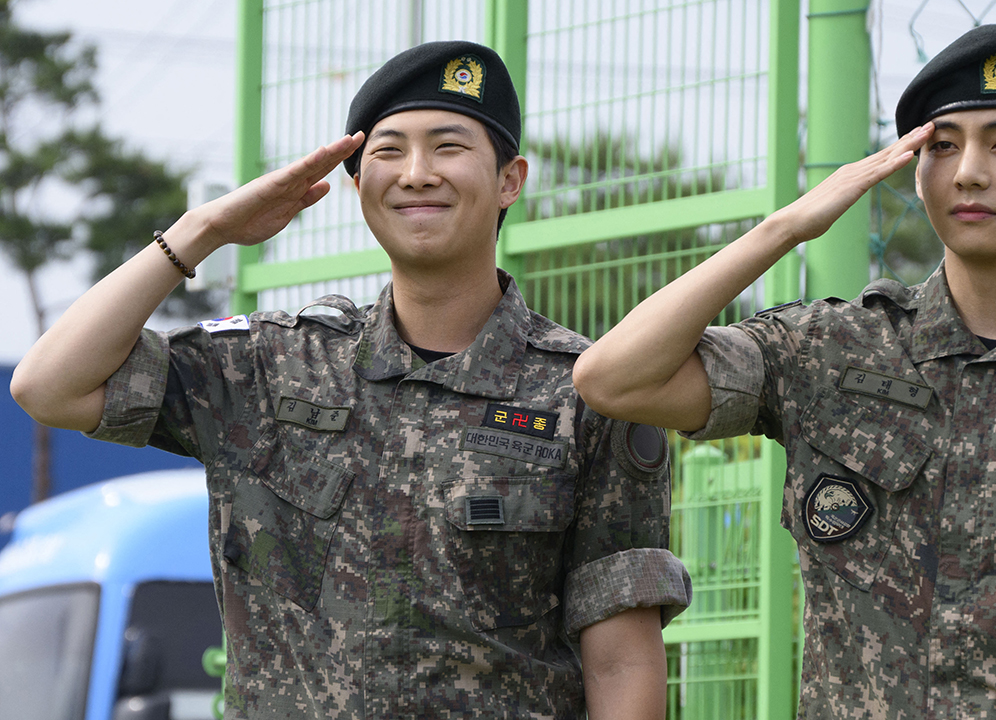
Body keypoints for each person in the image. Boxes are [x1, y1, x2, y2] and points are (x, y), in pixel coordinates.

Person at [572, 23, 996, 719]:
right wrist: (788, 227)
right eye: (943, 147)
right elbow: (613, 379)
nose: (968, 172)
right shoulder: (831, 350)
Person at [11, 40, 691, 720]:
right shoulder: (267, 368)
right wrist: (203, 228)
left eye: (449, 147)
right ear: (357, 184)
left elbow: (622, 657)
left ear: (510, 179)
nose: (417, 174)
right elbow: (50, 386)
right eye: (388, 152)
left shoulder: (588, 394)